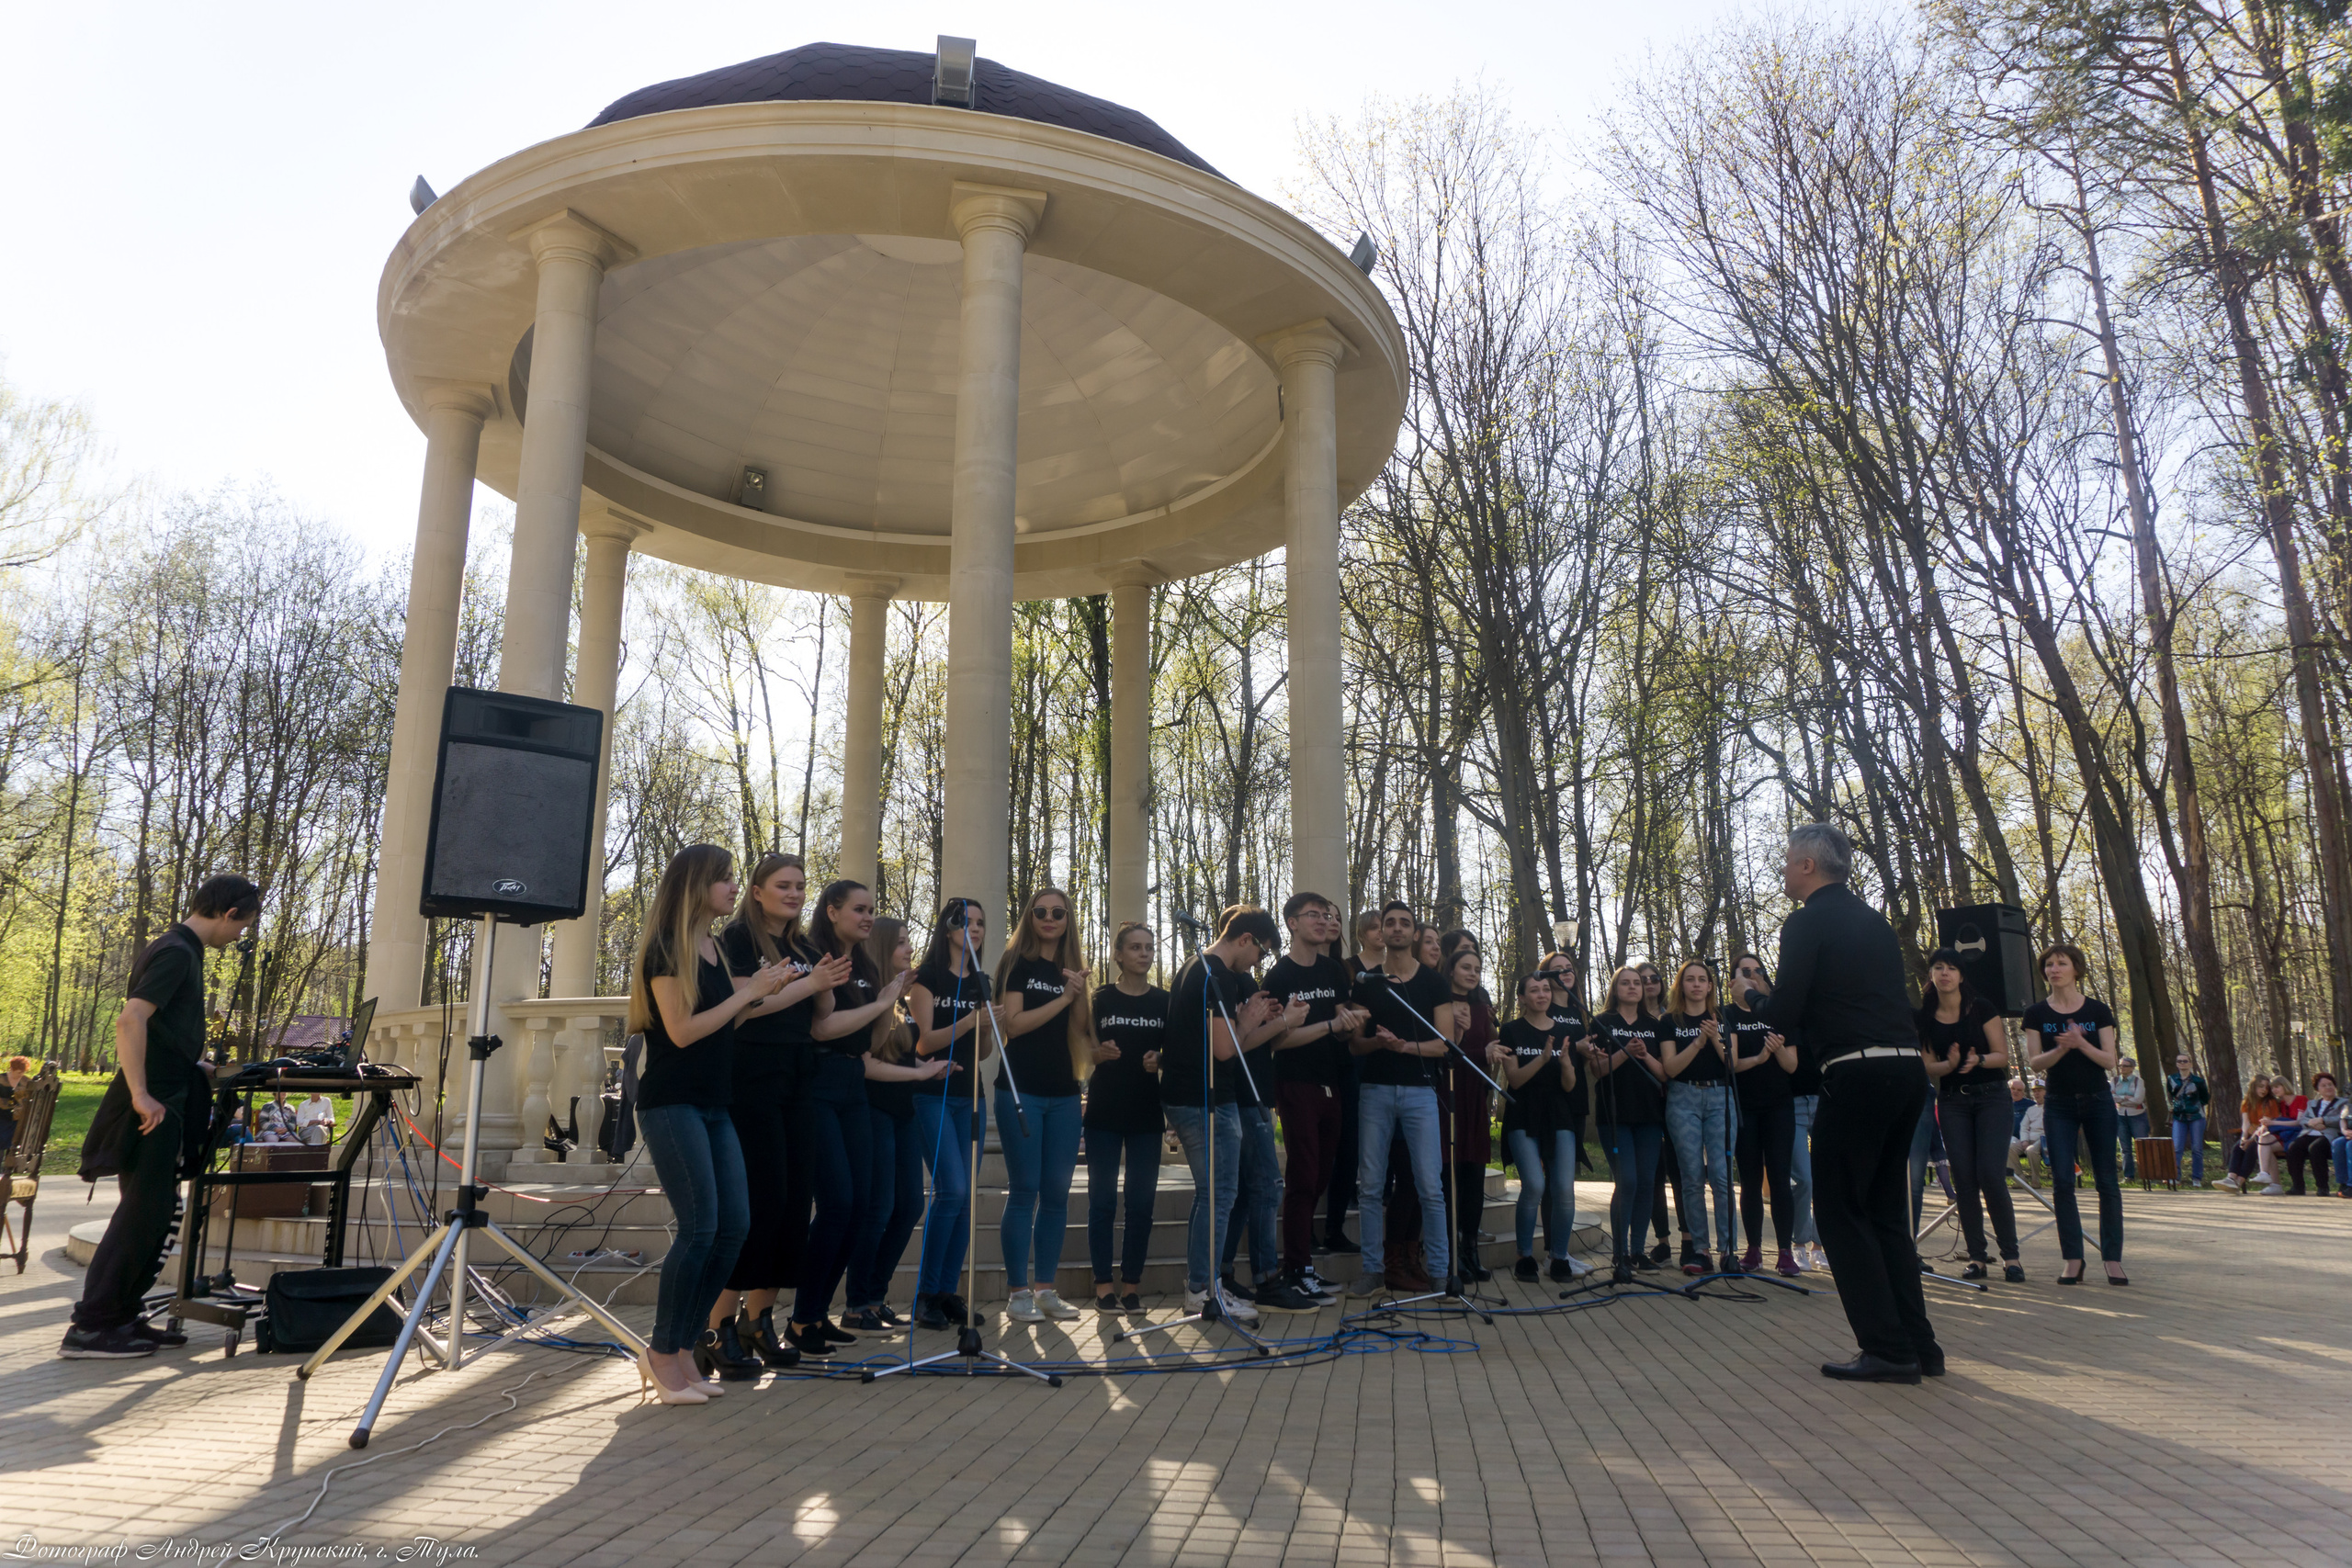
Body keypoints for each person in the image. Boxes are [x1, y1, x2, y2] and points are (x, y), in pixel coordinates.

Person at [1747, 822, 1942, 1384]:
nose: (1783, 870)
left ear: (1809, 866)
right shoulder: (1875, 922)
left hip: (1856, 1075)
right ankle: (1920, 1346)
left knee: (1836, 1210)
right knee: (1884, 1212)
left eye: (1787, 861)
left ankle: (1887, 1349)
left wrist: (1754, 997)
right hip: (1904, 1072)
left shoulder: (1808, 921)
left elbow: (1784, 1013)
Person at [62, 874, 262, 1359]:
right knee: (142, 1215)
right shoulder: (177, 951)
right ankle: (90, 1329)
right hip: (153, 1108)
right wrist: (141, 1095)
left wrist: (196, 1066)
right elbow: (130, 1020)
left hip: (167, 1095)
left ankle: (121, 1318)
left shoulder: (181, 951)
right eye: (243, 926)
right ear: (229, 913)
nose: (240, 937)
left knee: (156, 1214)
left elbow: (161, 1031)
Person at [628, 845, 791, 1403]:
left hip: (716, 1104)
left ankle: (680, 1349)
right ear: (695, 885)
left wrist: (766, 991)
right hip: (673, 1104)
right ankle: (661, 1351)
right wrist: (746, 992)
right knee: (700, 1229)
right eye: (722, 879)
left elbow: (730, 1017)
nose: (731, 887)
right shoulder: (666, 947)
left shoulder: (714, 947)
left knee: (733, 1227)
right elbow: (680, 1031)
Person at [709, 852, 839, 1373]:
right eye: (783, 885)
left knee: (791, 1206)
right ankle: (718, 1326)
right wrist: (808, 984)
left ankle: (759, 1321)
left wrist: (824, 988)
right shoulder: (737, 941)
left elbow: (818, 1018)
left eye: (801, 886)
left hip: (799, 1079)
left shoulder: (805, 946)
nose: (794, 893)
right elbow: (745, 1005)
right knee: (758, 1205)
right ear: (757, 891)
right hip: (752, 1081)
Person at [787, 879, 910, 1356]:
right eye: (859, 909)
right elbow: (824, 1026)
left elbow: (872, 1039)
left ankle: (815, 1315)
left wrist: (890, 997)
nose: (867, 917)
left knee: (860, 1207)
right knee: (837, 1205)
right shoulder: (816, 954)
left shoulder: (865, 963)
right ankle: (800, 1319)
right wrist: (881, 1002)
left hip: (853, 1086)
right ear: (832, 911)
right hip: (817, 1084)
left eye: (871, 909)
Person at [1159, 905, 1297, 1322]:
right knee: (1219, 1195)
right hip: (1204, 1101)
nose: (1257, 962)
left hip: (1195, 1097)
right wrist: (1252, 1019)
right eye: (1260, 952)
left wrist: (1247, 1016)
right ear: (1245, 940)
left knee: (1216, 1194)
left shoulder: (1194, 967)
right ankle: (1203, 1290)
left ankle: (1204, 1286)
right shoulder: (1214, 975)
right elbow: (1224, 1050)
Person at [843, 917, 953, 1330]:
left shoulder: (899, 999)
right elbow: (868, 1062)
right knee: (879, 1207)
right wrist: (919, 1074)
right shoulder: (869, 996)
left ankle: (876, 1294)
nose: (909, 949)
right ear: (881, 947)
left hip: (903, 1112)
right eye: (901, 943)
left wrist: (930, 1066)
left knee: (909, 1204)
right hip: (874, 1111)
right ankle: (858, 1304)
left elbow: (903, 1054)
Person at [1343, 901, 1454, 1297]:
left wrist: (1403, 1046)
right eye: (1389, 923)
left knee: (1430, 1185)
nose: (1396, 929)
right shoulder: (1366, 981)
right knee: (1371, 1186)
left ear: (1414, 933)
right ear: (1381, 931)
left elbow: (1445, 1045)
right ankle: (1373, 1271)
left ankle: (1440, 1273)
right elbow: (1356, 1046)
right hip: (1374, 1091)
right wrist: (1377, 1042)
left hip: (1421, 1093)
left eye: (1404, 923)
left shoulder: (1434, 982)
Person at [993, 886, 1092, 1324]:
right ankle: (1018, 1294)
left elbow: (1079, 1032)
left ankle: (1046, 1289)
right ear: (1029, 917)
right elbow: (1013, 1025)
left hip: (1065, 1093)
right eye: (1041, 912)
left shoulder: (1070, 969)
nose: (1050, 918)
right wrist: (1064, 998)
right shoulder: (1016, 962)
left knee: (1057, 1193)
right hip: (1021, 1089)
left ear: (1068, 919)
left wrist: (1080, 996)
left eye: (1059, 912)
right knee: (1025, 1189)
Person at [1263, 893, 1365, 1303]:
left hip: (1332, 1082)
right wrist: (1330, 1025)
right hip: (1296, 1083)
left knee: (1322, 1174)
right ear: (1291, 923)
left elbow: (1340, 1027)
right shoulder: (1279, 976)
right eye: (1313, 916)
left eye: (1327, 915)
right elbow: (1278, 1039)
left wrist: (1350, 1025)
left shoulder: (1332, 969)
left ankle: (1305, 1266)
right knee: (1303, 1176)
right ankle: (1297, 1269)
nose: (1323, 922)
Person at [906, 898, 998, 1331]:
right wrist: (969, 1022)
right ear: (947, 928)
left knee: (966, 1202)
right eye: (966, 922)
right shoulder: (928, 979)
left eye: (981, 923)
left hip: (970, 1097)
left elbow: (983, 1053)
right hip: (933, 1096)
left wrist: (985, 1027)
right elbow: (924, 1044)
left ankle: (945, 1293)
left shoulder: (982, 982)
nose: (974, 929)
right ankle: (925, 1296)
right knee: (952, 1191)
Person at [2021, 944, 2126, 1285]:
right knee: (2063, 1181)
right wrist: (2062, 1047)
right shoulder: (2037, 1013)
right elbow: (2034, 1063)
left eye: (2061, 963)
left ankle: (2112, 1258)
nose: (2054, 969)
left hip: (2097, 1101)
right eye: (2048, 964)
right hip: (2059, 1103)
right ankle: (2073, 1259)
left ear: (2076, 969)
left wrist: (2081, 1044)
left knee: (2106, 1181)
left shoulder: (2097, 1010)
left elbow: (2110, 1061)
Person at [1916, 949, 2020, 1282]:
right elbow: (1929, 1065)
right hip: (1952, 1102)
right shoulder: (1925, 1016)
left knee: (1990, 1174)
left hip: (1992, 1097)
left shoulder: (1981, 1007)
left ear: (1961, 975)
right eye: (1938, 968)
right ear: (1931, 975)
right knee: (1964, 1179)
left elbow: (2002, 1056)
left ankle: (2012, 1256)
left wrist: (1979, 1061)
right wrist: (1948, 1066)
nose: (1944, 973)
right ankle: (1977, 1257)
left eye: (1951, 968)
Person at [1087, 921, 1168, 1313]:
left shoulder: (1164, 1002)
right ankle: (1103, 1286)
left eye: (1149, 947)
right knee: (1102, 1202)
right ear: (1118, 954)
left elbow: (1180, 1053)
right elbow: (1078, 1048)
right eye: (1135, 947)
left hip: (1146, 1115)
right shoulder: (1099, 999)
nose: (1144, 954)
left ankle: (1131, 1285)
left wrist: (1161, 1060)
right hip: (1103, 1112)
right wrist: (1094, 1054)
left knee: (1141, 1203)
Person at [1580, 965, 1668, 1283]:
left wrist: (1643, 1056)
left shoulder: (1654, 1025)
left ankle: (1637, 1251)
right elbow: (1597, 1069)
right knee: (1627, 1180)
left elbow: (1663, 1074)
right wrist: (1624, 1054)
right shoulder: (1603, 1022)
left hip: (1649, 1116)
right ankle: (1619, 1253)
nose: (1633, 987)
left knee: (1646, 1183)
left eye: (1638, 983)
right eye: (1626, 983)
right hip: (1614, 1115)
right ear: (1615, 989)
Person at [1498, 971, 1582, 1281]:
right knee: (1534, 1185)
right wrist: (1543, 1058)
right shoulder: (1511, 1031)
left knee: (1563, 1189)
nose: (1542, 994)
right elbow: (1515, 1081)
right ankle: (1524, 1256)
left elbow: (1569, 1086)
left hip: (1559, 1114)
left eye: (1546, 989)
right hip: (1524, 1114)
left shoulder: (1564, 1031)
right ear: (1522, 998)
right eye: (1534, 990)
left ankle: (1559, 1257)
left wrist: (1566, 1065)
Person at [1724, 953, 1801, 1277]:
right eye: (1745, 971)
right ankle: (1753, 1250)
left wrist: (1777, 1050)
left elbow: (1792, 1065)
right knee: (1751, 1180)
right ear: (1733, 980)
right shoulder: (1726, 1014)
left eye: (1757, 970)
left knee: (1781, 1178)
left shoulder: (1777, 1011)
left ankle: (1785, 1252)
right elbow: (1731, 1063)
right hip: (1745, 1108)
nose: (1753, 976)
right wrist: (1760, 1056)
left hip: (1779, 1106)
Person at [1659, 959, 1736, 1275]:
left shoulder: (1722, 1017)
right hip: (1683, 1097)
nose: (1696, 985)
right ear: (1681, 985)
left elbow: (1731, 1064)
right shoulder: (1669, 1021)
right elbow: (1670, 1069)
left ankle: (1728, 1250)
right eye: (1689, 979)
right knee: (1691, 1176)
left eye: (1702, 980)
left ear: (1710, 986)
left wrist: (1715, 1037)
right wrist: (1698, 1041)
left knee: (1720, 1175)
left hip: (1720, 1097)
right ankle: (1700, 1250)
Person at [1435, 942, 1504, 1282]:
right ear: (1451, 970)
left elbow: (1490, 1047)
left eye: (1477, 969)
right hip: (1447, 1096)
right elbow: (1444, 1050)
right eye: (1466, 967)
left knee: (1474, 1177)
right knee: (1450, 1178)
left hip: (1475, 1096)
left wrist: (1493, 1049)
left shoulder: (1482, 1007)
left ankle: (1470, 1249)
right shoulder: (1439, 1003)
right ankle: (1448, 1254)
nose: (1473, 974)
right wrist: (1470, 1043)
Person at [1320, 908, 1383, 1258]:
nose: (1330, 923)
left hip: (1351, 1062)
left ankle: (1334, 1227)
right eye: (1322, 917)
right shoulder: (1305, 968)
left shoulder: (1343, 969)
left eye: (1335, 918)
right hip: (1314, 1067)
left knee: (1348, 1148)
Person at [2282, 1073, 2343, 1196]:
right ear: (2318, 1090)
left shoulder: (2343, 1103)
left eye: (2330, 1084)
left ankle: (2322, 1187)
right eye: (2324, 1085)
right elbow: (2303, 1120)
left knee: (2315, 1148)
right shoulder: (2312, 1104)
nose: (2328, 1087)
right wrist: (2312, 1123)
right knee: (2293, 1148)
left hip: (2329, 1135)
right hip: (2310, 1132)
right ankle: (2298, 1186)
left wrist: (2323, 1120)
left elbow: (2342, 1118)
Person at [2166, 1053, 2211, 1188]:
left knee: (2197, 1148)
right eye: (2179, 1061)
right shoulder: (2171, 1078)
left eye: (2185, 1061)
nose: (2182, 1063)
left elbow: (2205, 1098)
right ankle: (2175, 1177)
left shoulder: (2198, 1081)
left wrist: (2193, 1106)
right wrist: (2176, 1106)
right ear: (2176, 1063)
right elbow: (2171, 1094)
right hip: (2179, 1117)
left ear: (2190, 1063)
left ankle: (2196, 1178)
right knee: (2177, 1147)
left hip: (2196, 1117)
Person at [2114, 1060, 2151, 1179]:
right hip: (2120, 1116)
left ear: (2132, 1068)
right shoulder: (2114, 1080)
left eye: (2125, 1066)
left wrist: (2120, 1099)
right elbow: (2111, 1097)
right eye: (2120, 1066)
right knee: (2125, 1149)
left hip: (2138, 1116)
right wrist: (2126, 1097)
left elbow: (2138, 1099)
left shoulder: (2138, 1081)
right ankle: (2129, 1176)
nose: (2122, 1068)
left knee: (2142, 1146)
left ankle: (2147, 1176)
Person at [2010, 1082, 2048, 1179]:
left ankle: (2036, 1179)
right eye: (2035, 1092)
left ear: (2046, 1092)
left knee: (2031, 1151)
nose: (2037, 1094)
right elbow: (2024, 1127)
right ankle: (2020, 1178)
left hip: (2043, 1140)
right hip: (2028, 1139)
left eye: (2039, 1091)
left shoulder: (2050, 1108)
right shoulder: (2031, 1109)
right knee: (2009, 1147)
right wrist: (2024, 1141)